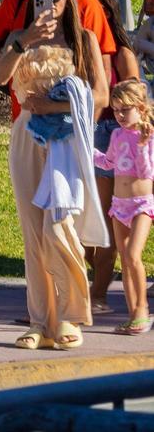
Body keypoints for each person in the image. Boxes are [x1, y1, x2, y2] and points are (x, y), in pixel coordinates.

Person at [0, 0, 109, 350]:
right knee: (32, 232)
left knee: (58, 228)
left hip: (67, 141)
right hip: (27, 137)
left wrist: (52, 104)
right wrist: (23, 40)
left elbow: (99, 97)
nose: (48, 2)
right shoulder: (17, 38)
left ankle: (72, 313)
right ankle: (41, 322)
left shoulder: (83, 39)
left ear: (68, 1)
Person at [85, 0, 140, 314]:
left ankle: (99, 293)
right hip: (84, 131)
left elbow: (134, 103)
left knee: (105, 216)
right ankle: (95, 281)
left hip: (111, 134)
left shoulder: (121, 52)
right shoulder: (82, 47)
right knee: (83, 214)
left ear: (106, 11)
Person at [92, 79, 154, 335]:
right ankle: (133, 315)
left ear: (140, 108)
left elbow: (148, 172)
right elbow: (108, 163)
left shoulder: (149, 135)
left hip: (142, 204)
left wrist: (142, 148)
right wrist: (88, 151)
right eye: (116, 109)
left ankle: (143, 310)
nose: (119, 115)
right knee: (126, 261)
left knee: (132, 255)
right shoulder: (117, 134)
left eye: (124, 110)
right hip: (120, 205)